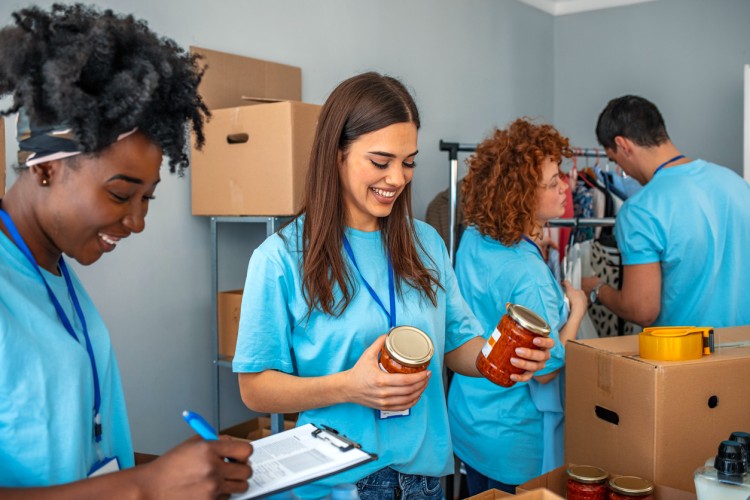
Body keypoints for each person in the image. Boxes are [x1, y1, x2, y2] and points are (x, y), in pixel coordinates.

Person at [232, 73, 555, 499]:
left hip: (424, 482)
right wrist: (347, 386)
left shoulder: (427, 243)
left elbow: (457, 344)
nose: (398, 179)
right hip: (339, 484)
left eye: (409, 162)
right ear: (336, 155)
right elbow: (255, 388)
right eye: (380, 162)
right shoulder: (280, 258)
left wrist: (505, 359)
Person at [0, 4, 252, 498]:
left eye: (147, 198)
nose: (137, 222)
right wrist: (145, 487)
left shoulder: (52, 269)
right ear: (45, 169)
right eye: (120, 194)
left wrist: (189, 472)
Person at [447, 118, 588, 494]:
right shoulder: (528, 274)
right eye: (553, 180)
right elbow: (543, 370)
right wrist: (576, 309)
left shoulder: (475, 236)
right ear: (521, 195)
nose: (565, 186)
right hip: (514, 439)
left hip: (469, 420)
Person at [582, 95, 750, 327]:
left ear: (623, 145)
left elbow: (642, 309)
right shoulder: (738, 185)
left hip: (685, 357)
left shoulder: (640, 210)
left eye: (616, 160)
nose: (622, 171)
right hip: (744, 353)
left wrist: (597, 289)